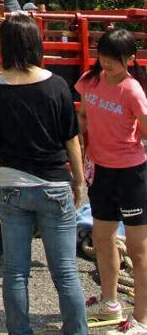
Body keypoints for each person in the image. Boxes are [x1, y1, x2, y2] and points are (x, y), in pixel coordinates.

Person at [0, 13, 87, 335]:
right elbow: (71, 139)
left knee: (15, 272)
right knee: (66, 272)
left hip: (13, 185)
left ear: (7, 46)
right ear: (36, 43)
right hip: (54, 184)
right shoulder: (57, 86)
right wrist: (79, 181)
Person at [77, 29, 147, 332]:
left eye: (113, 61)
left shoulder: (133, 91)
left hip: (131, 174)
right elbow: (82, 117)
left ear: (130, 60)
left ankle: (142, 317)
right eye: (102, 58)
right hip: (101, 171)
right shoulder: (90, 80)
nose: (106, 64)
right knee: (103, 239)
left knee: (137, 248)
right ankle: (110, 302)